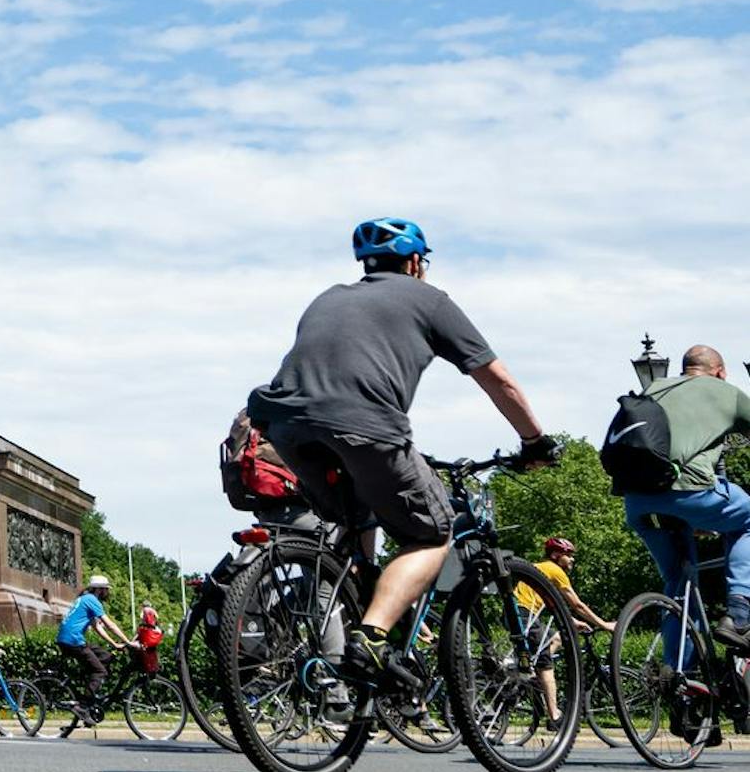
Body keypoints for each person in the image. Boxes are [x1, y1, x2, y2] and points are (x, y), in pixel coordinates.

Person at [247, 218, 556, 692]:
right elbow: (498, 379)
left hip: (284, 428)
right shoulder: (429, 300)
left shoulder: (327, 297)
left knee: (356, 520)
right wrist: (535, 441)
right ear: (415, 263)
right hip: (364, 426)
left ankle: (349, 620)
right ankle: (370, 638)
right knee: (434, 532)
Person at [619, 345, 750, 652]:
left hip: (637, 501)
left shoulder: (654, 388)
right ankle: (741, 613)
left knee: (680, 583)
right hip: (689, 490)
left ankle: (677, 675)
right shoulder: (725, 392)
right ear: (719, 371)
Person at [516, 536, 612, 728]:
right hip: (525, 615)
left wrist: (573, 622)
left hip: (517, 614)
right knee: (546, 664)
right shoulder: (555, 570)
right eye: (568, 555)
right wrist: (604, 624)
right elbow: (577, 604)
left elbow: (553, 606)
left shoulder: (540, 569)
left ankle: (532, 672)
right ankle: (554, 716)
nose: (572, 559)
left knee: (556, 637)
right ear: (555, 555)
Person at [56, 573, 132, 734]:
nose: (108, 593)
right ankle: (83, 706)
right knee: (100, 671)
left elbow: (97, 627)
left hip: (70, 639)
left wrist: (115, 644)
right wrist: (128, 641)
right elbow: (109, 624)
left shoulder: (85, 599)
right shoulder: (92, 600)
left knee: (105, 656)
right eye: (106, 590)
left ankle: (90, 692)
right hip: (73, 641)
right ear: (99, 590)